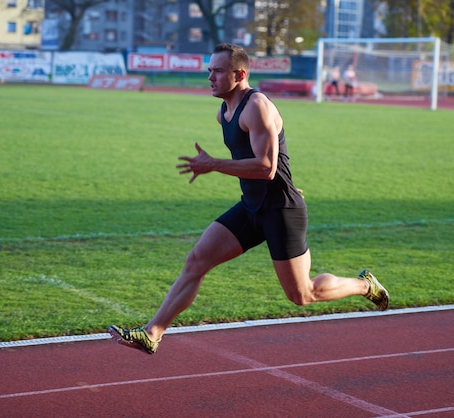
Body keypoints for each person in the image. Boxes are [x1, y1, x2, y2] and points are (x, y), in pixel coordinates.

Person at [109, 43, 389, 355]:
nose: (210, 77)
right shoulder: (223, 113)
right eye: (209, 71)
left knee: (302, 294)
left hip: (281, 211)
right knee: (196, 260)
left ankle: (365, 285)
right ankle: (153, 333)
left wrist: (213, 164)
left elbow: (267, 168)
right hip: (252, 207)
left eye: (217, 71)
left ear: (240, 74)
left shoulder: (257, 106)